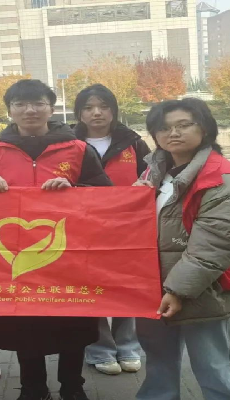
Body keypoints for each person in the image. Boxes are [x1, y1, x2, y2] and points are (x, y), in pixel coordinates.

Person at [0, 79, 112, 400]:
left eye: (38, 103)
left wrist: (74, 190)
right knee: (25, 324)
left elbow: (105, 194)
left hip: (69, 252)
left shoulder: (78, 149)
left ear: (51, 108)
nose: (30, 110)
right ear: (10, 110)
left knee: (73, 321)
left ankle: (72, 385)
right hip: (15, 256)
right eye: (21, 104)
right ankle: (33, 387)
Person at [134, 98, 230, 400]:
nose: (173, 133)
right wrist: (133, 200)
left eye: (183, 125)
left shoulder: (222, 178)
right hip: (153, 285)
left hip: (203, 289)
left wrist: (177, 290)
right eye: (164, 128)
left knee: (213, 364)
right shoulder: (154, 171)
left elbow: (216, 243)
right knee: (158, 359)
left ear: (204, 128)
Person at [72, 84, 149, 375]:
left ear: (114, 110)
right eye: (89, 107)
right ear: (79, 113)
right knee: (90, 286)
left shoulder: (134, 143)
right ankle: (99, 348)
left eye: (104, 106)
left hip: (127, 227)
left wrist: (146, 185)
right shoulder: (67, 144)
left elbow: (153, 174)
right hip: (82, 227)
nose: (97, 113)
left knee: (126, 285)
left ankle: (128, 345)